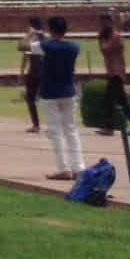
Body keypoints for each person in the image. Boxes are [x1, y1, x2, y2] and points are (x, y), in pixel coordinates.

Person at [37, 16, 83, 180]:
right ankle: (78, 167)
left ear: (50, 30)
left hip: (49, 93)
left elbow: (22, 46)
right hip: (68, 91)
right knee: (71, 129)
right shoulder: (74, 47)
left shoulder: (45, 46)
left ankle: (63, 168)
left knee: (55, 131)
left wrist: (35, 34)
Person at [97, 17, 130, 136]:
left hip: (117, 73)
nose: (103, 25)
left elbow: (105, 49)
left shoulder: (115, 37)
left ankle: (109, 127)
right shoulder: (108, 36)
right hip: (113, 73)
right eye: (102, 23)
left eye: (106, 22)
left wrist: (100, 39)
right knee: (121, 101)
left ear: (111, 23)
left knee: (109, 100)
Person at [20, 16, 45, 134]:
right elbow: (26, 55)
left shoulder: (34, 40)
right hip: (43, 72)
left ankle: (36, 125)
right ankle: (40, 125)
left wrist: (29, 35)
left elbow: (21, 47)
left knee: (31, 98)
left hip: (35, 73)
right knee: (48, 99)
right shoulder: (44, 38)